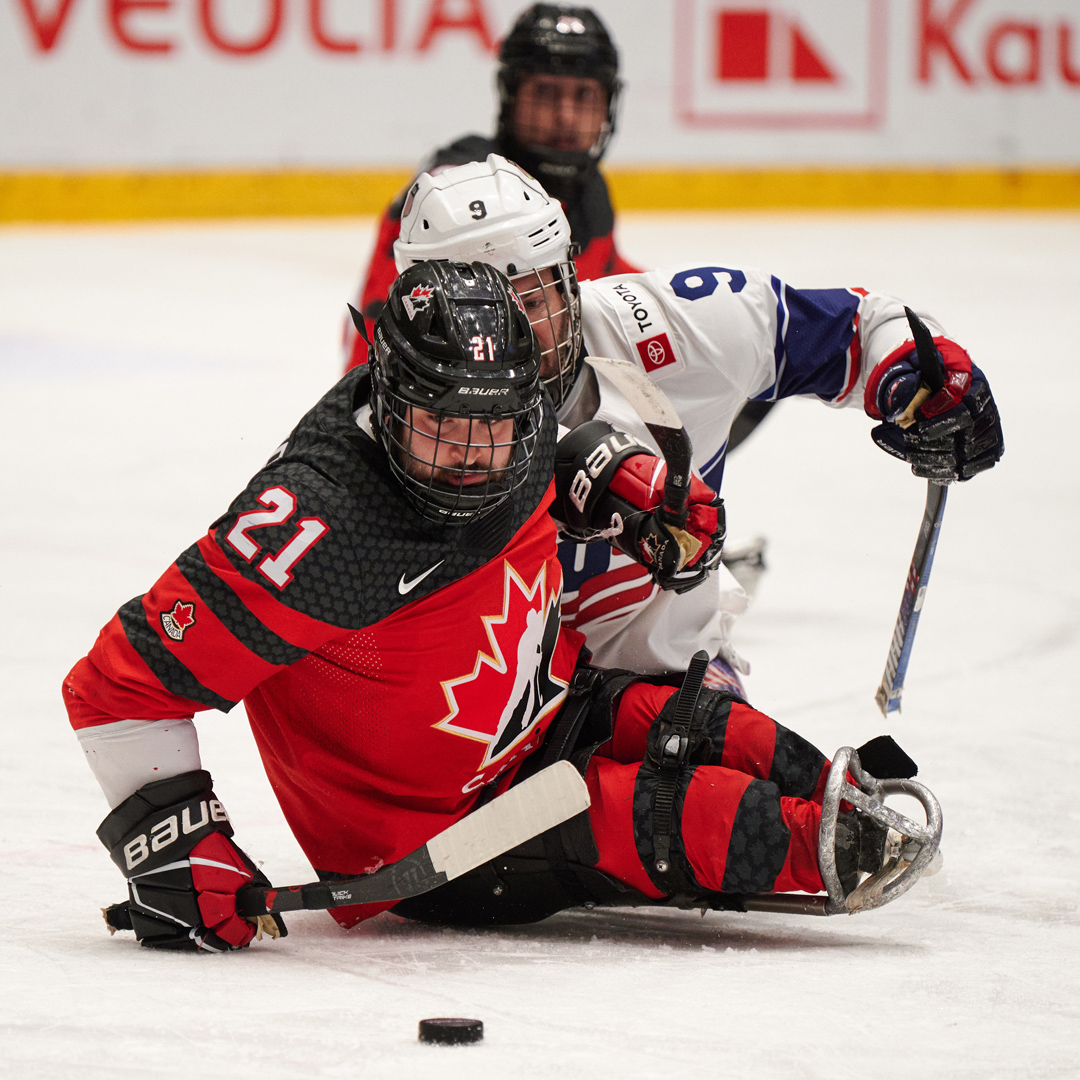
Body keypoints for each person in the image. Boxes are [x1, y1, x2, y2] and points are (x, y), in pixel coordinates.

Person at [65, 263, 935, 951]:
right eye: (444, 427)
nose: (476, 458)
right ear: (388, 392)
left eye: (499, 425)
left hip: (542, 711)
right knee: (681, 814)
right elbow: (117, 686)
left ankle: (843, 803)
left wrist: (616, 478)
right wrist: (173, 846)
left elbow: (524, 439)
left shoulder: (495, 418)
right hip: (433, 833)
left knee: (722, 730)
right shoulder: (316, 527)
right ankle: (831, 841)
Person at [390, 154, 1006, 695]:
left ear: (569, 278)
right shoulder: (385, 426)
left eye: (535, 299)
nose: (525, 335)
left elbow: (857, 326)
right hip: (483, 733)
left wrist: (914, 379)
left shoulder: (667, 328)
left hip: (669, 696)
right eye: (483, 315)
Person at [343, 3, 637, 369]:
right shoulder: (457, 189)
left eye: (584, 96)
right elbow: (385, 325)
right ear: (511, 95)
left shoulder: (591, 192)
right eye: (546, 93)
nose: (566, 116)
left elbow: (605, 278)